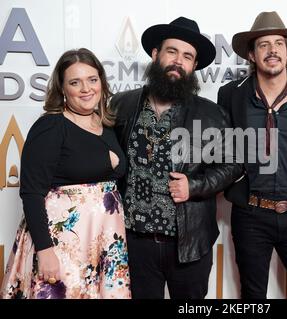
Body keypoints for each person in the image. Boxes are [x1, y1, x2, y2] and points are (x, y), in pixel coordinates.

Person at [110, 16, 242, 299]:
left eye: (187, 56)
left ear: (194, 66)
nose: (178, 61)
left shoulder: (211, 114)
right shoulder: (122, 105)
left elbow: (234, 164)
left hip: (189, 243)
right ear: (156, 54)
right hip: (135, 242)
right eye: (172, 51)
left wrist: (194, 186)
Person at [0, 48, 131, 299]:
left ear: (102, 83)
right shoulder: (51, 126)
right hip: (62, 243)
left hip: (101, 243)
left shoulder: (106, 124)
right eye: (75, 82)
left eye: (92, 80)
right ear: (62, 89)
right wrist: (45, 250)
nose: (86, 88)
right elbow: (31, 192)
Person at [217, 11, 287, 299]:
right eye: (263, 44)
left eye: (279, 43)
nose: (272, 50)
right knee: (252, 297)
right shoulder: (230, 94)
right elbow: (222, 149)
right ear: (251, 55)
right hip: (250, 214)